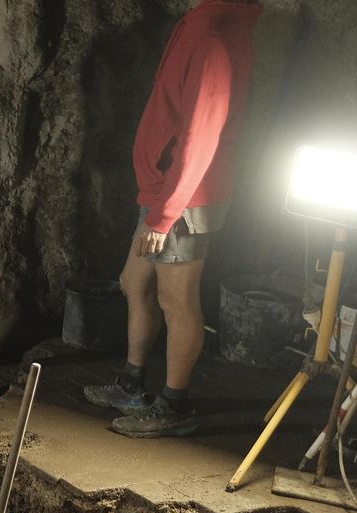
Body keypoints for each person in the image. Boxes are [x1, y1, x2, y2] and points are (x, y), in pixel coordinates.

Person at [84, 0, 261, 438]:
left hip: (184, 200)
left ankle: (173, 405)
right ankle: (131, 385)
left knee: (177, 301)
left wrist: (165, 215)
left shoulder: (214, 41)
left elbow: (201, 138)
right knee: (134, 281)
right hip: (162, 193)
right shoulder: (200, 26)